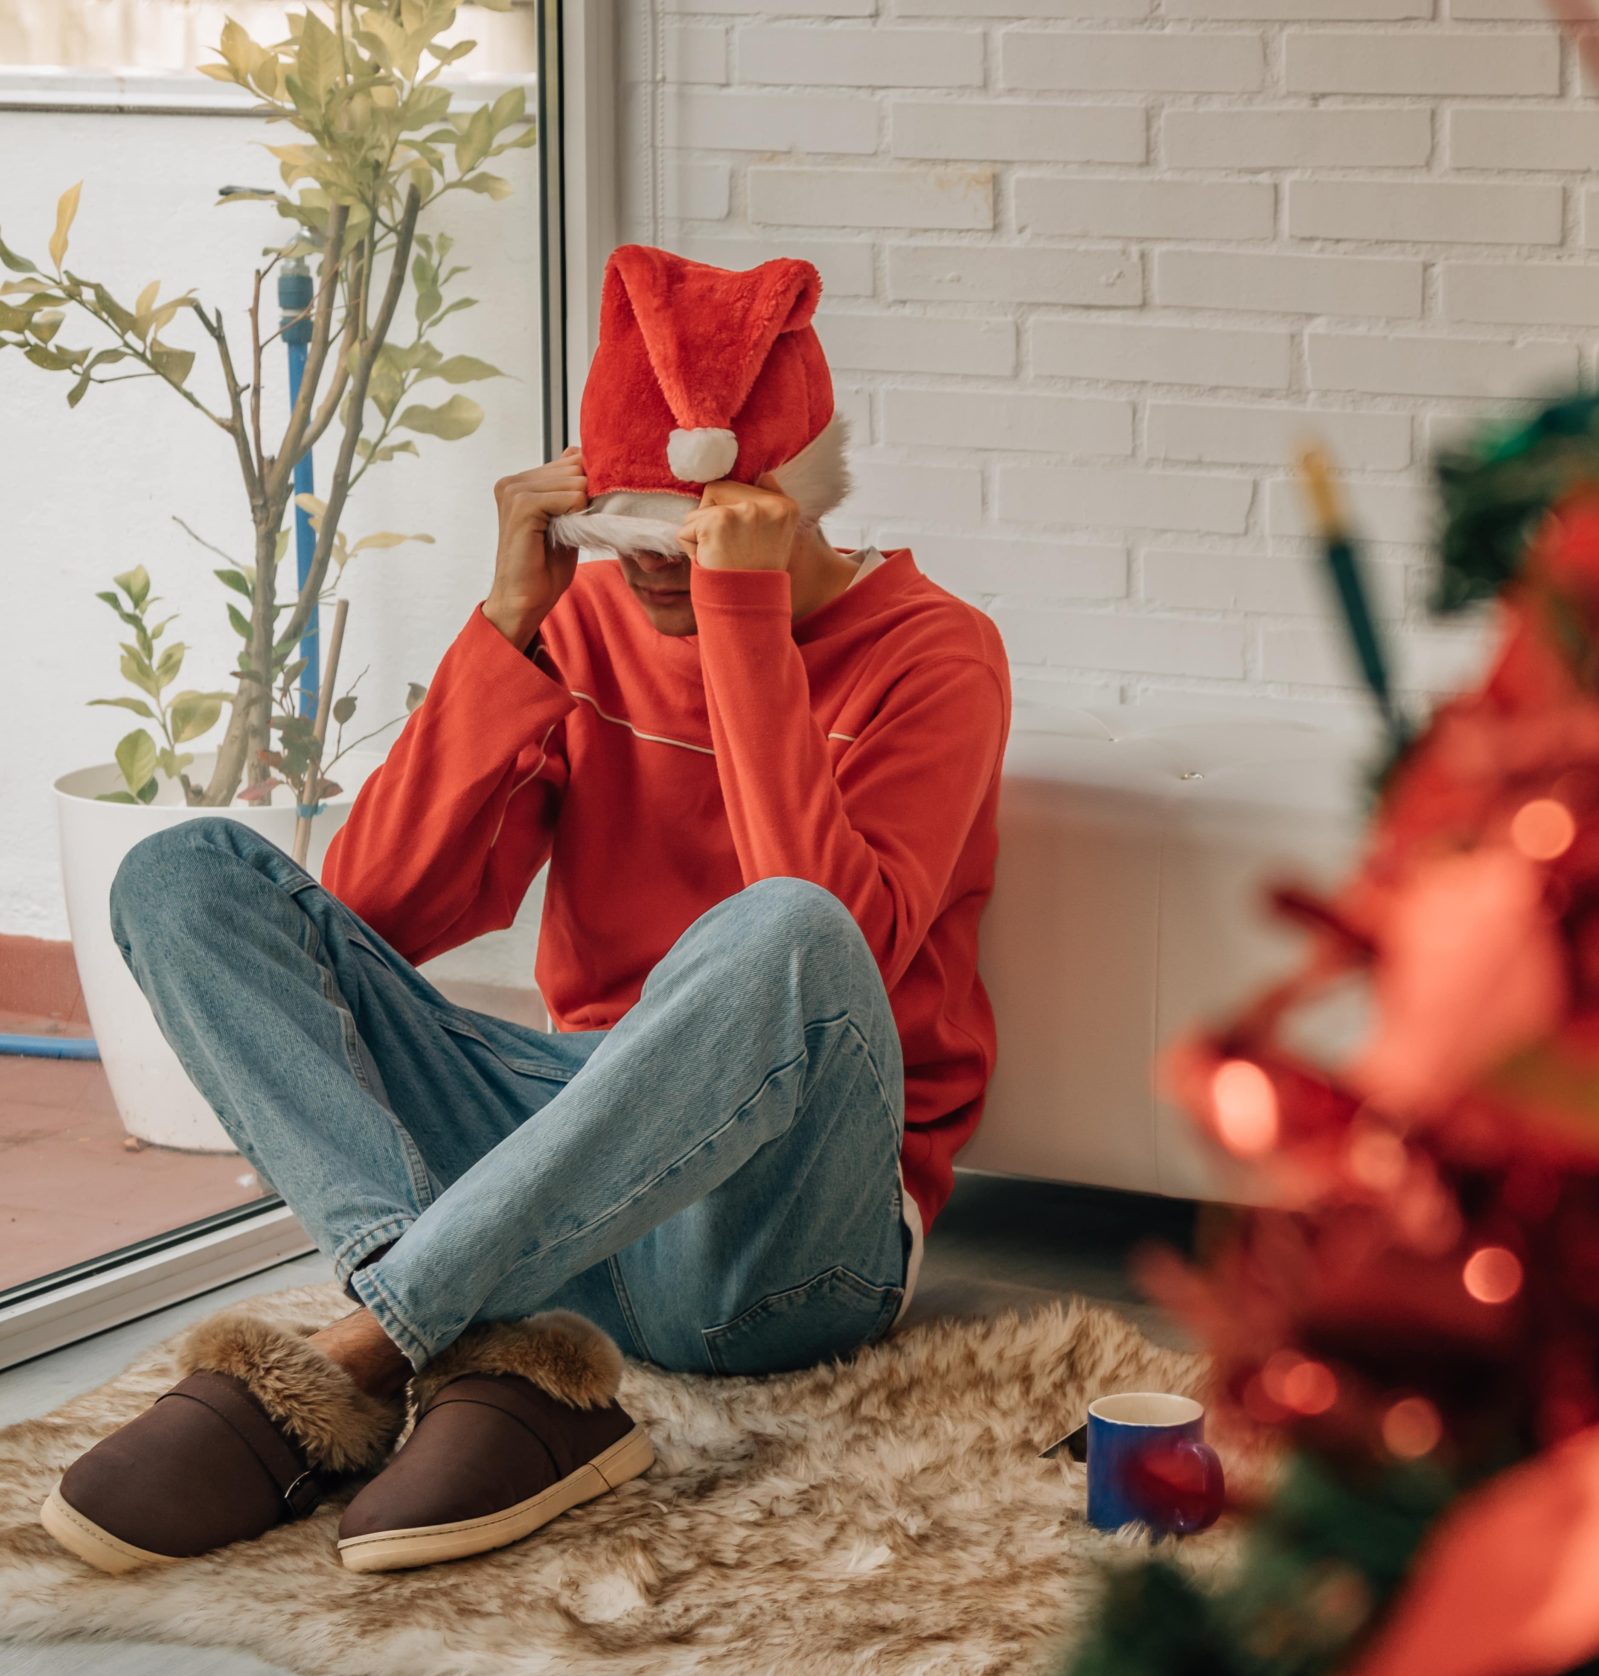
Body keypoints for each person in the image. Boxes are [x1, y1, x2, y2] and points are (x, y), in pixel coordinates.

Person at [41, 245, 1010, 1577]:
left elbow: (847, 934)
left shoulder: (934, 653)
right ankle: (513, 1360)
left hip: (773, 1241)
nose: (652, 573)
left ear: (793, 499)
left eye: (684, 539)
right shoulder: (586, 616)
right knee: (184, 875)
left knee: (783, 930)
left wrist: (739, 620)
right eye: (625, 532)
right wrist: (508, 625)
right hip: (565, 1153)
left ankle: (376, 1343)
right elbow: (369, 917)